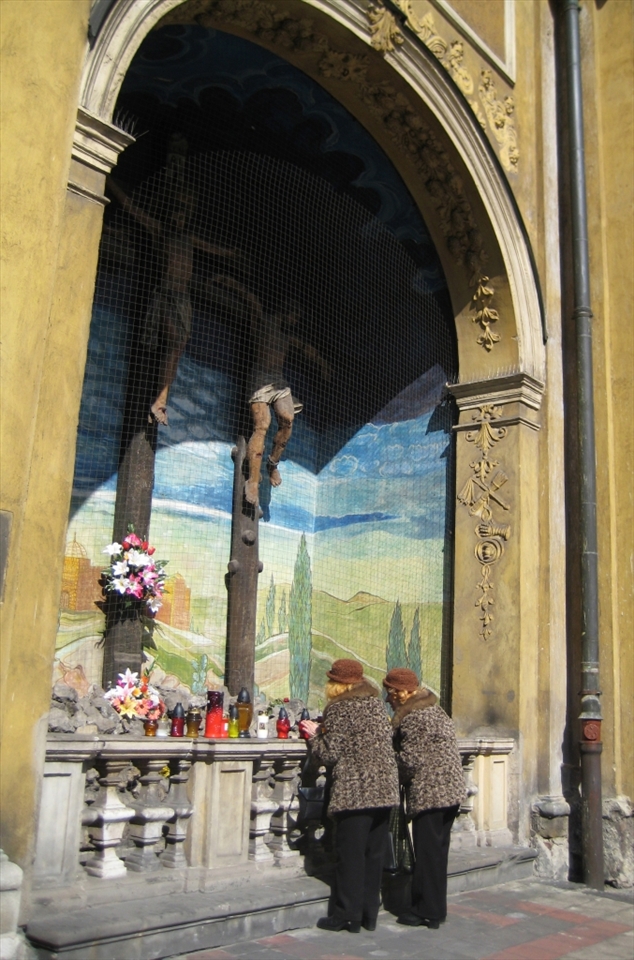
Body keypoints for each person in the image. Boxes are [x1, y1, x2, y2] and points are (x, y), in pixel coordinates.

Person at [107, 176, 237, 425]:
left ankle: (161, 401)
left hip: (182, 298)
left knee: (178, 347)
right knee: (173, 342)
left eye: (183, 215)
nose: (180, 219)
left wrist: (234, 253)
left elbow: (214, 249)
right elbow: (131, 207)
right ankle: (158, 402)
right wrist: (111, 180)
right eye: (176, 214)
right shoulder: (161, 230)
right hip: (166, 295)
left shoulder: (188, 239)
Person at [300, 659, 399, 933]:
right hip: (384, 789)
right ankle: (369, 914)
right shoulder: (376, 705)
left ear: (338, 684)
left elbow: (330, 753)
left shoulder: (341, 707)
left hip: (356, 790)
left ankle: (346, 915)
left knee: (350, 855)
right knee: (373, 854)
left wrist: (313, 736)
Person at [383, 667, 466, 929]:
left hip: (431, 793)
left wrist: (387, 765)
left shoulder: (415, 717)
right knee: (438, 853)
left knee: (428, 854)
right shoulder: (434, 710)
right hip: (449, 792)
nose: (388, 700)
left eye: (390, 694)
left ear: (401, 693)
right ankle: (435, 908)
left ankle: (425, 911)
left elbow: (411, 759)